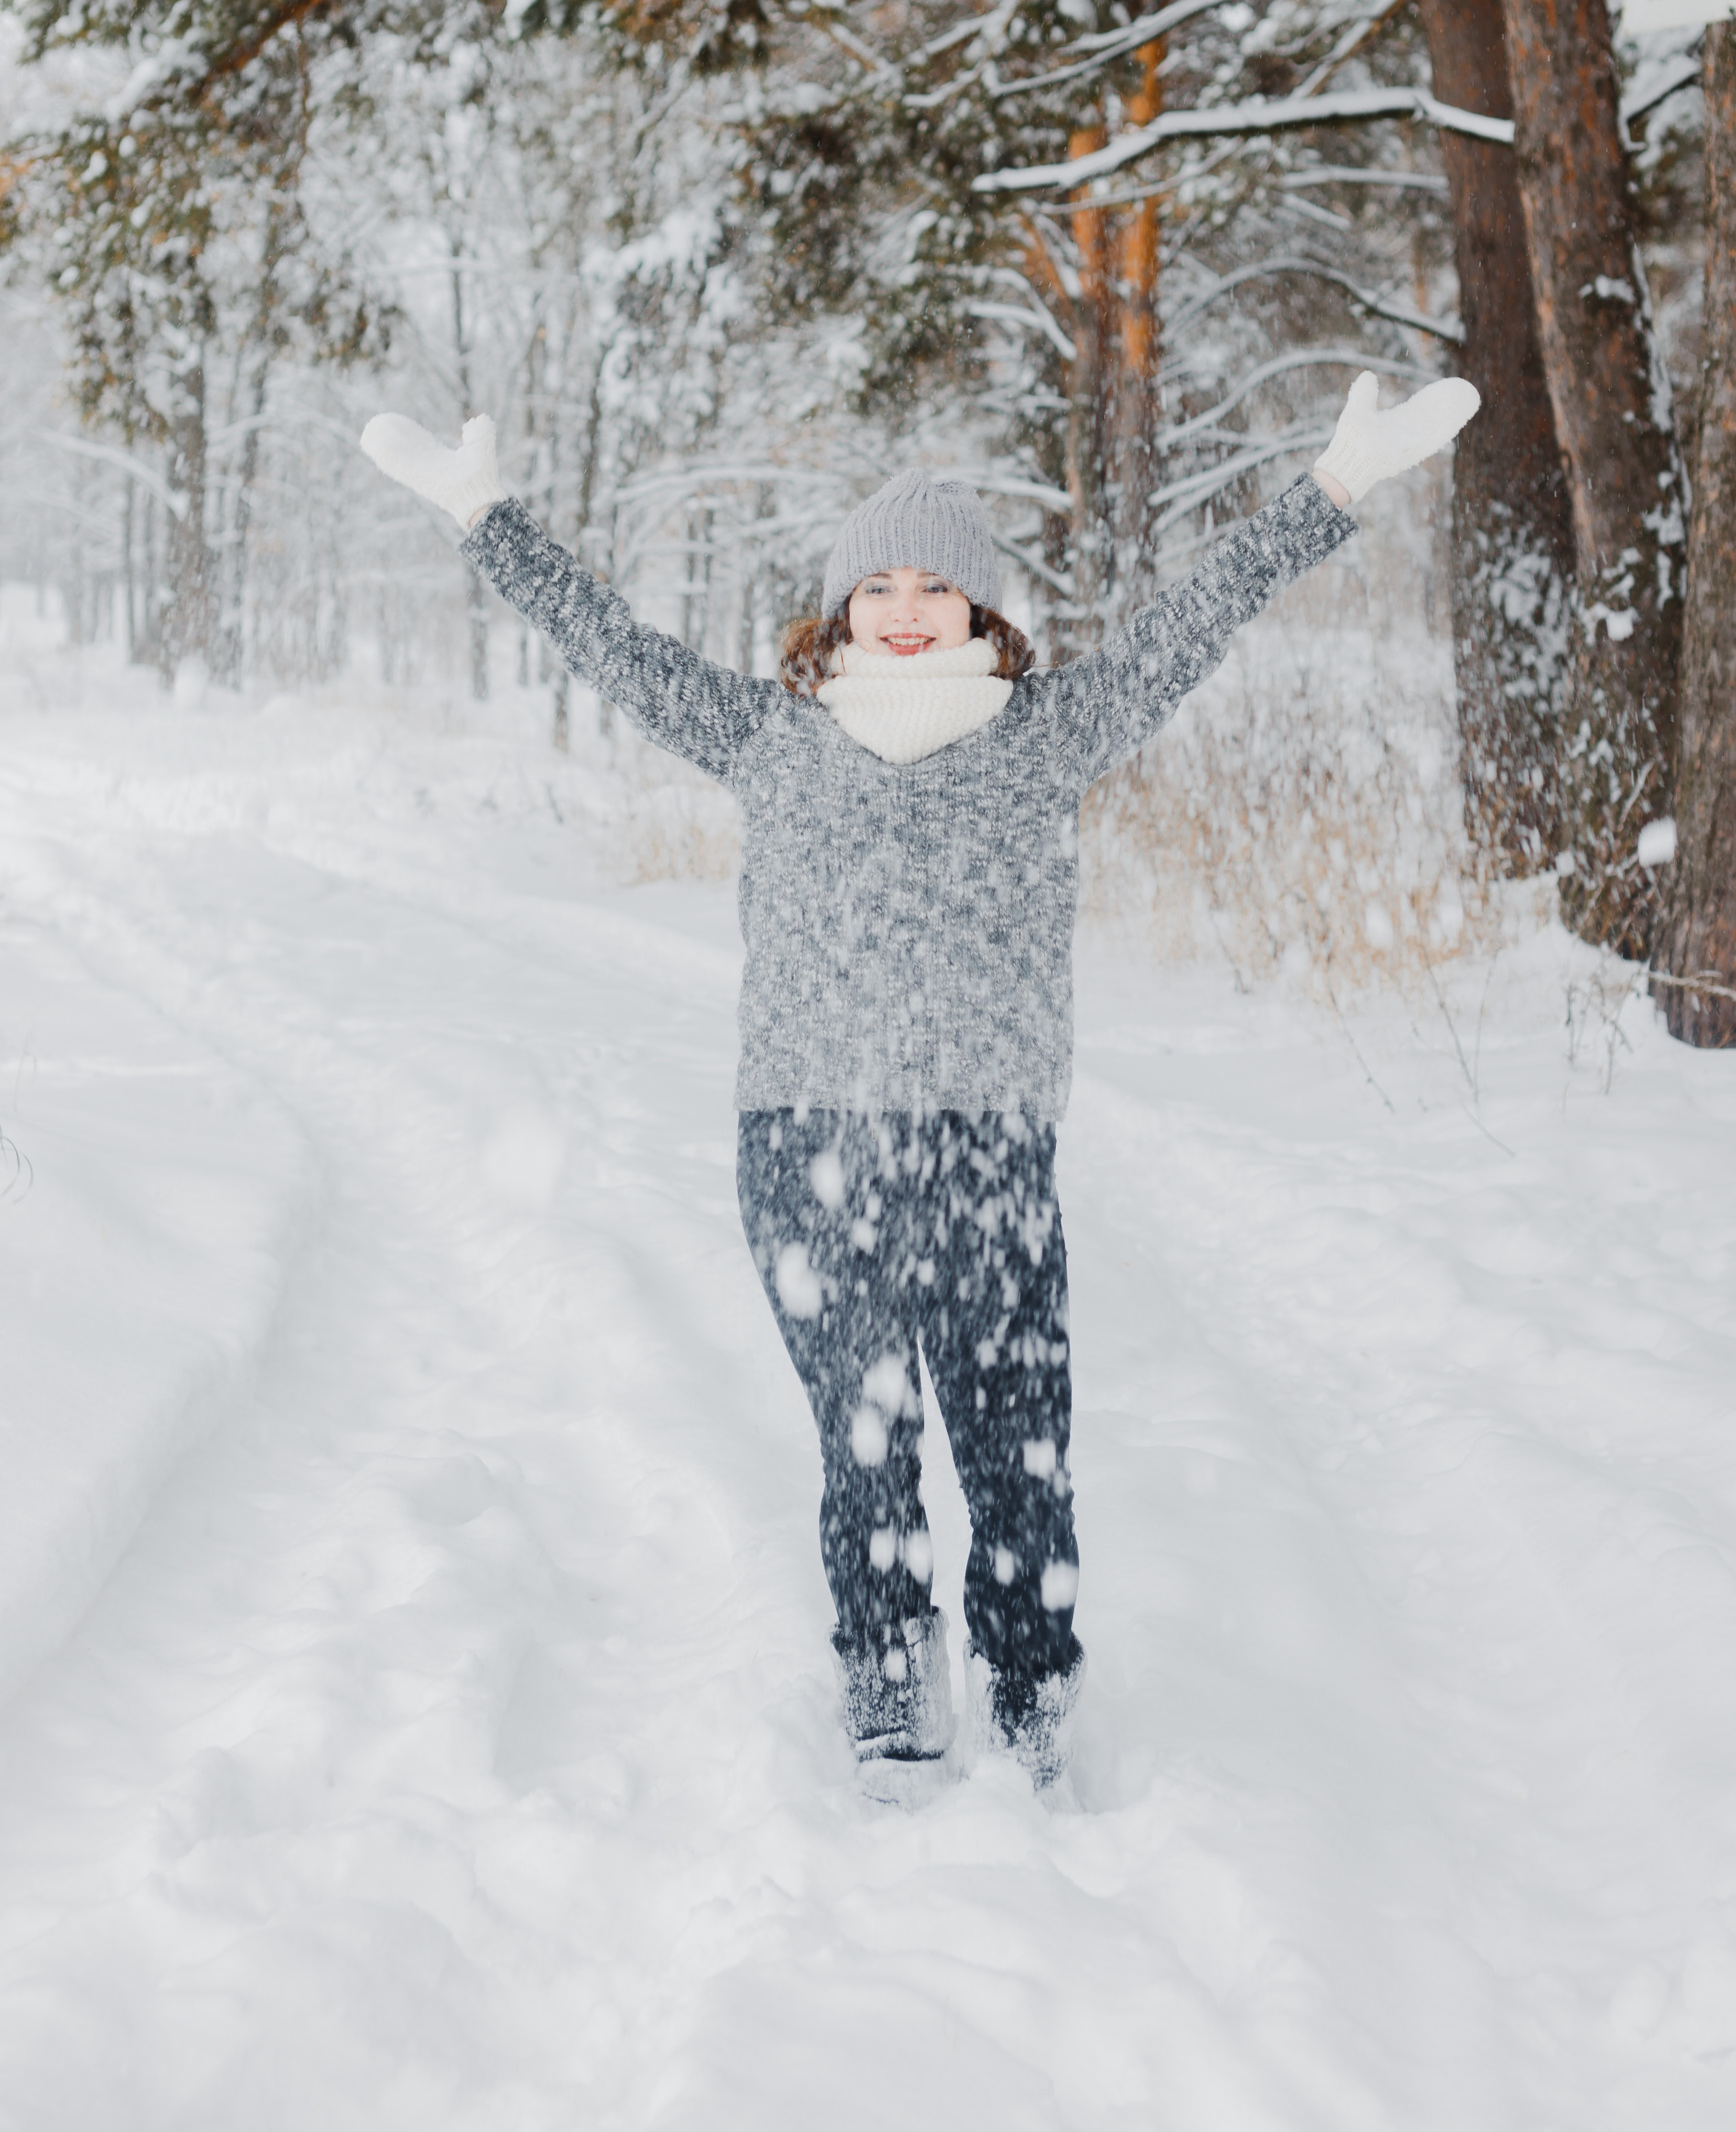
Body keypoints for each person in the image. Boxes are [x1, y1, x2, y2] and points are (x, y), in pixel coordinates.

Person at [360, 370, 1479, 1799]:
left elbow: (1196, 619)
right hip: (807, 1141)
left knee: (1017, 1444)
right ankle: (889, 1674)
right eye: (873, 583)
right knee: (865, 1434)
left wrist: (1327, 496)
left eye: (931, 586)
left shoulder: (1043, 737)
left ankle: (1026, 1683)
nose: (901, 606)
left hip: (988, 1147)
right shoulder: (768, 737)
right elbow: (606, 643)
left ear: (980, 613)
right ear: (835, 612)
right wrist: (484, 516)